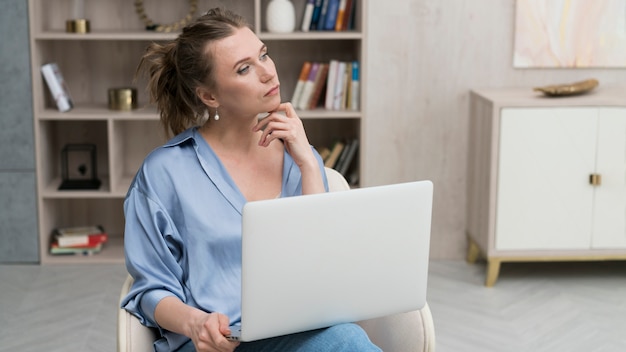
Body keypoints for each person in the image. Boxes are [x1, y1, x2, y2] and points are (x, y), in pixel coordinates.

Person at [121, 7, 381, 352]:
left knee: (345, 338)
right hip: (215, 345)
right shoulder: (164, 173)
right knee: (347, 343)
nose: (267, 73)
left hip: (297, 334)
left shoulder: (298, 157)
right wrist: (196, 323)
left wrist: (305, 161)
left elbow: (324, 265)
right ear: (209, 96)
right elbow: (150, 289)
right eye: (244, 68)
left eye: (264, 55)